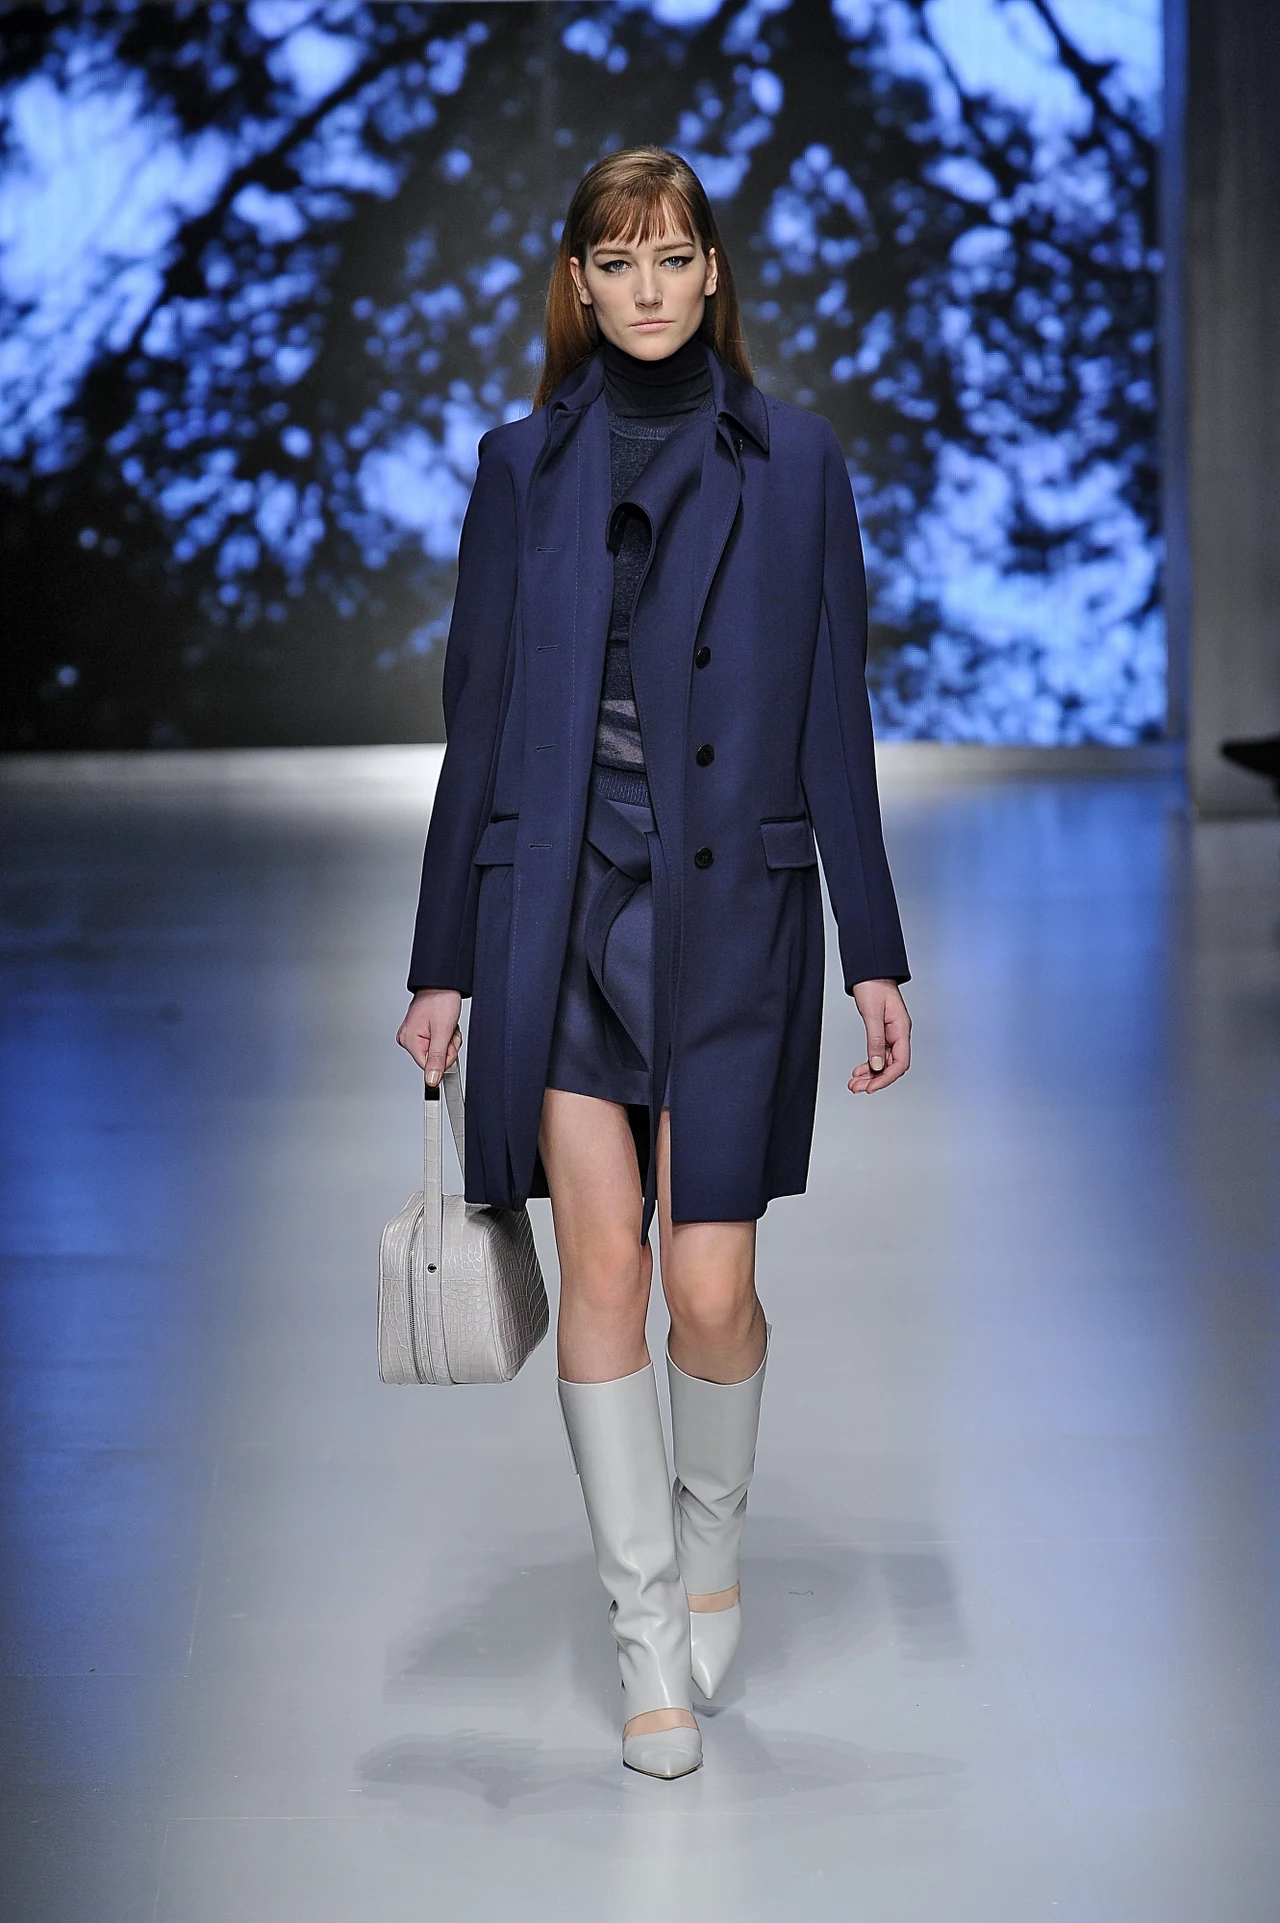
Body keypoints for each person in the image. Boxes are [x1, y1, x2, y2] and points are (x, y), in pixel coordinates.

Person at [397, 147, 911, 1780]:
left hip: (733, 913)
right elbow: (477, 716)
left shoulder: (799, 461)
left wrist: (876, 950)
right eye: (614, 262)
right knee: (606, 1267)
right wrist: (440, 962)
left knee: (712, 1286)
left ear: (711, 273)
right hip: (554, 910)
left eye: (672, 257)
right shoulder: (519, 467)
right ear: (578, 282)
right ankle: (644, 1636)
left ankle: (710, 1543)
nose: (646, 289)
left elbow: (834, 707)